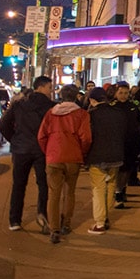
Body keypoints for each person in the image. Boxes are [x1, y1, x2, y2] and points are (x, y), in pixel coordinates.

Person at [36, 84, 92, 244]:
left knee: (53, 194)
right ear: (76, 96)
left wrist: (48, 151)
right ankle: (66, 224)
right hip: (73, 156)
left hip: (53, 156)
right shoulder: (81, 114)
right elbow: (86, 138)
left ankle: (54, 229)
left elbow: (41, 136)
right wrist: (82, 152)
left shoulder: (51, 113)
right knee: (70, 192)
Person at [2, 75, 54, 233]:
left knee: (18, 184)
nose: (51, 91)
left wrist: (15, 140)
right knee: (43, 184)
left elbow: (4, 125)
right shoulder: (51, 106)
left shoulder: (19, 104)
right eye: (49, 88)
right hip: (41, 149)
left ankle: (14, 220)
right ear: (41, 87)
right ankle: (42, 213)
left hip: (21, 149)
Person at [85, 87, 127, 235]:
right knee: (111, 185)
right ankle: (106, 215)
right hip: (116, 155)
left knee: (98, 187)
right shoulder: (118, 114)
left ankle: (100, 222)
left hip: (97, 156)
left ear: (92, 100)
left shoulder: (91, 115)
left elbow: (88, 137)